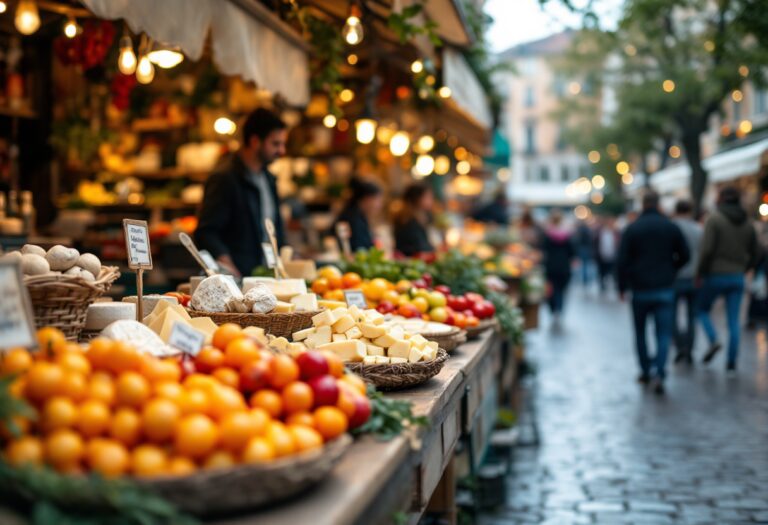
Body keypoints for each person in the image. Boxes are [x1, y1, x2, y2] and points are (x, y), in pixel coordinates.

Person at [195, 108, 288, 277]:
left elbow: (275, 229)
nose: (282, 151)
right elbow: (206, 232)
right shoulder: (224, 178)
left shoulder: (269, 179)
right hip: (238, 279)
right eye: (275, 144)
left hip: (267, 277)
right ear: (255, 141)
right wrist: (227, 265)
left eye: (283, 144)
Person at [617, 192, 689, 394]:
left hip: (640, 289)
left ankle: (645, 370)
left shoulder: (632, 228)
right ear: (658, 205)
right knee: (663, 334)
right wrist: (671, 270)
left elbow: (622, 260)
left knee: (640, 332)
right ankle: (660, 371)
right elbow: (685, 255)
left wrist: (622, 287)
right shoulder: (670, 227)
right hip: (665, 287)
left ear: (643, 204)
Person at [697, 186, 759, 372]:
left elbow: (706, 250)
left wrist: (701, 272)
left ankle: (713, 339)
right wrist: (745, 268)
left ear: (721, 199)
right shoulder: (748, 223)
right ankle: (731, 363)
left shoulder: (714, 219)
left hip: (715, 275)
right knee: (733, 321)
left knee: (701, 309)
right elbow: (756, 252)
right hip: (737, 276)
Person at [671, 199, 703, 364]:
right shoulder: (698, 229)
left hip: (675, 277)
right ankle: (689, 349)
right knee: (692, 316)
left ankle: (680, 346)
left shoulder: (671, 228)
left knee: (672, 315)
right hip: (694, 277)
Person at [541, 210, 575, 330]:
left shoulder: (548, 233)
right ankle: (559, 309)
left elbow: (543, 249)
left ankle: (554, 309)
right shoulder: (567, 234)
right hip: (564, 266)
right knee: (562, 290)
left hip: (551, 266)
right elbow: (572, 251)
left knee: (552, 289)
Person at [333, 178, 383, 253]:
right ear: (367, 199)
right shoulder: (353, 218)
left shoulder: (358, 215)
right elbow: (358, 249)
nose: (380, 205)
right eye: (378, 200)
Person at [394, 183, 435, 257]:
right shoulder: (407, 221)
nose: (431, 200)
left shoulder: (419, 218)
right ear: (417, 199)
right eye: (428, 197)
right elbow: (419, 248)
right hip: (410, 263)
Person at [595, 217, 620, 292]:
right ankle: (602, 284)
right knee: (602, 272)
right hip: (602, 255)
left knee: (613, 272)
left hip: (613, 255)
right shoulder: (600, 232)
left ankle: (615, 284)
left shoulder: (616, 232)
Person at [573, 219, 594, 285]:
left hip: (582, 248)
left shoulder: (579, 231)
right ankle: (586, 278)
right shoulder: (588, 230)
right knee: (586, 264)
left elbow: (577, 241)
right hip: (587, 248)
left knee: (582, 265)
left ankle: (583, 278)